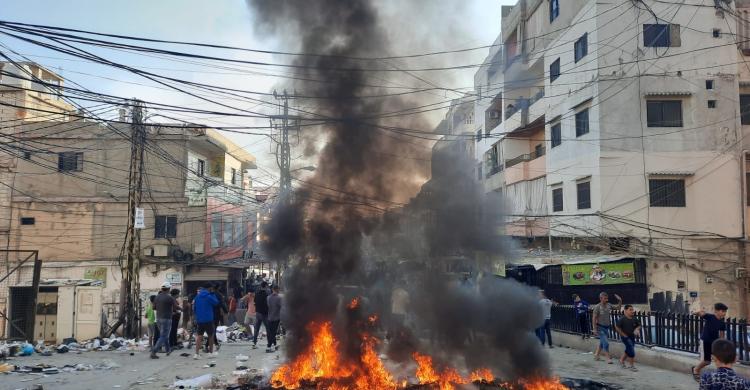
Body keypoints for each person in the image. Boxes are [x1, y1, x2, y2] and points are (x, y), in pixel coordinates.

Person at [693, 302, 729, 380]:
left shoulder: (722, 323)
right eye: (722, 311)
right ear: (716, 311)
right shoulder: (710, 317)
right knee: (707, 361)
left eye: (725, 311)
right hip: (705, 341)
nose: (724, 313)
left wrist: (722, 345)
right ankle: (696, 369)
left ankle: (721, 374)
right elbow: (699, 314)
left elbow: (722, 335)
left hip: (715, 343)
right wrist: (697, 312)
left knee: (720, 359)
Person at [592, 291, 623, 364]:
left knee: (602, 342)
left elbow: (618, 308)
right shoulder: (597, 307)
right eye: (605, 298)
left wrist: (620, 300)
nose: (606, 300)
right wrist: (594, 329)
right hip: (600, 327)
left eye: (607, 298)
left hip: (606, 327)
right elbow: (594, 318)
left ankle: (596, 355)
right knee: (606, 343)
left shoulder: (609, 305)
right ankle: (608, 358)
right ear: (601, 298)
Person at [193, 284, 219, 360]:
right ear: (210, 288)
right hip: (208, 319)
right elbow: (216, 303)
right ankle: (210, 353)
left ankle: (196, 354)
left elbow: (194, 307)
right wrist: (213, 293)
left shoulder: (197, 296)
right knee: (210, 335)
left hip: (199, 319)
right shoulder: (209, 296)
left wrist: (195, 317)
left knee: (199, 336)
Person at [151, 282, 176, 359]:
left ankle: (168, 350)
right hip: (167, 318)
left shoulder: (157, 297)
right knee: (163, 336)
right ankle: (154, 351)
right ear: (168, 289)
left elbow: (153, 308)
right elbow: (175, 307)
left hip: (158, 318)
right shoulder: (170, 298)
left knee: (164, 335)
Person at [615, 304, 641, 371]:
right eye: (630, 310)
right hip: (625, 337)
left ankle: (621, 360)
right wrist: (623, 334)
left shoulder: (634, 318)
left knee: (628, 349)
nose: (632, 311)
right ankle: (631, 366)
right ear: (625, 310)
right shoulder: (622, 319)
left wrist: (636, 329)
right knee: (631, 350)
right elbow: (617, 327)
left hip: (632, 336)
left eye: (632, 310)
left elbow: (639, 326)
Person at [252, 281, 270, 349]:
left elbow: (255, 302)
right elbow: (267, 304)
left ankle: (254, 342)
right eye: (267, 286)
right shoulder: (266, 294)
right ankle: (269, 343)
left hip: (258, 313)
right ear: (265, 286)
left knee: (256, 329)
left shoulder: (257, 294)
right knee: (268, 329)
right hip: (265, 314)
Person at [266, 285, 282, 353]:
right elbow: (281, 307)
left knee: (271, 332)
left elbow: (268, 306)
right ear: (277, 289)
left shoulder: (268, 297)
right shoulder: (279, 298)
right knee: (273, 333)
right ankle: (269, 346)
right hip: (276, 317)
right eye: (278, 289)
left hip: (269, 317)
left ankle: (275, 345)